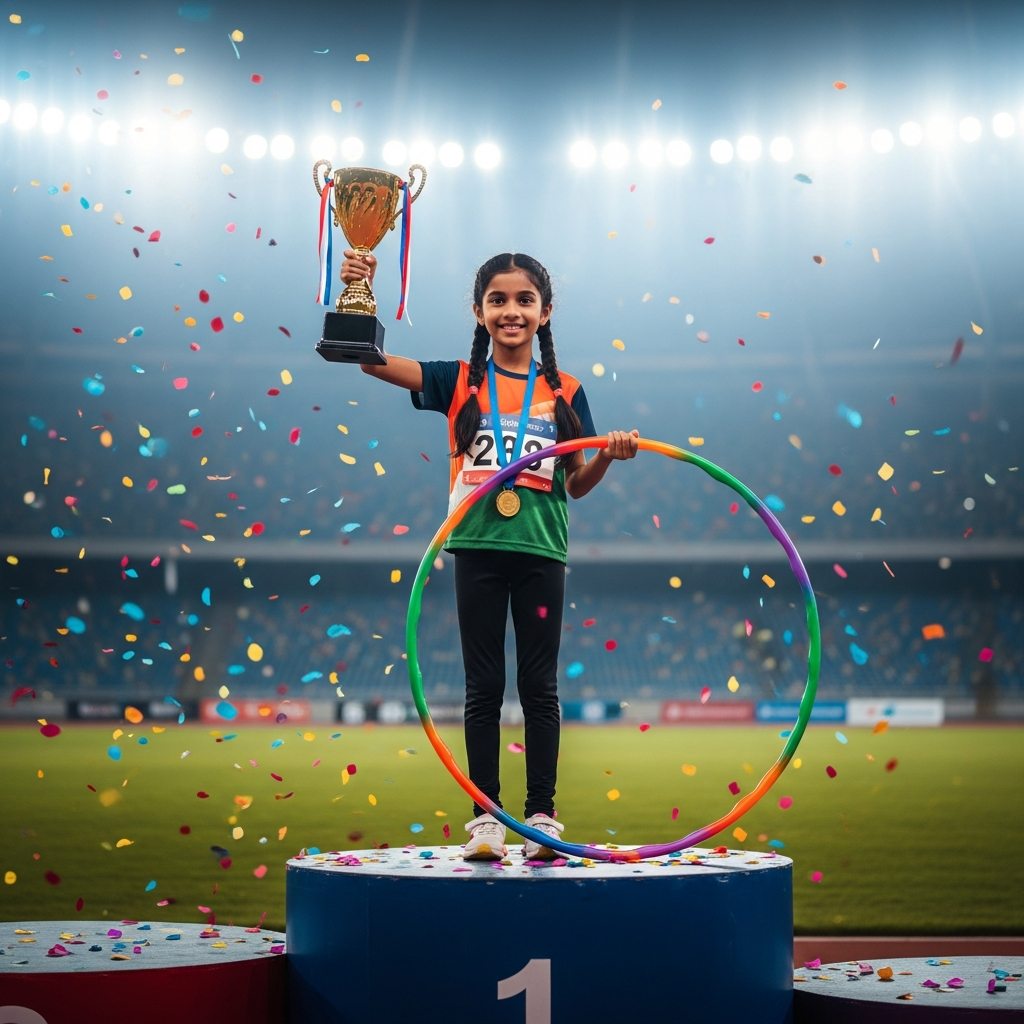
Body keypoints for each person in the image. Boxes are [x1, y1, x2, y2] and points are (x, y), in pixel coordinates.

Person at [339, 249, 639, 860]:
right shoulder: (458, 381)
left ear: (545, 311)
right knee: (483, 686)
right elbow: (370, 364)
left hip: (540, 549)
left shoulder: (568, 391)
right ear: (478, 311)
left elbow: (574, 485)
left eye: (524, 300)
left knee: (539, 687)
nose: (511, 311)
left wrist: (608, 453)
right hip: (474, 545)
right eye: (497, 300)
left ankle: (543, 817)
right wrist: (360, 293)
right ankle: (485, 820)